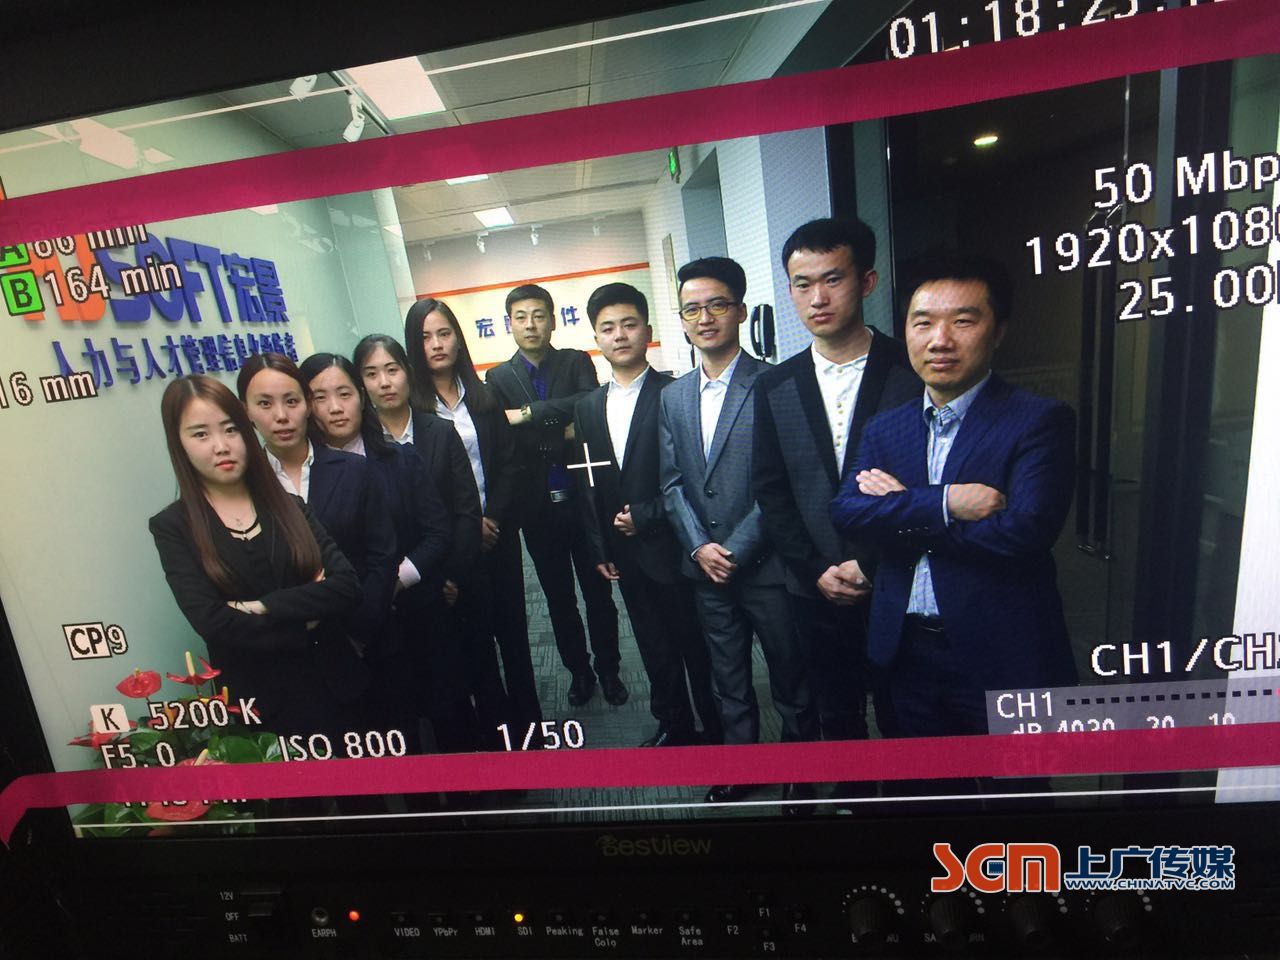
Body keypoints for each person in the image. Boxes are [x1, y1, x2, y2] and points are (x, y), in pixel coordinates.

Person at [830, 255, 1077, 738]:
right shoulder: (886, 428)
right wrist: (945, 503)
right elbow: (847, 511)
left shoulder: (1039, 420)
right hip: (905, 654)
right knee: (926, 780)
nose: (939, 340)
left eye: (963, 321)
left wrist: (901, 508)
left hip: (1003, 652)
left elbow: (1024, 532)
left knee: (1014, 782)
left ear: (998, 331)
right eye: (923, 323)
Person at [754, 219, 920, 751]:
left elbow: (933, 478)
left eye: (833, 279)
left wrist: (869, 563)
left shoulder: (913, 368)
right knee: (836, 712)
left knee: (904, 713)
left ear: (867, 282)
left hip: (899, 575)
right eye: (803, 284)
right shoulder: (774, 384)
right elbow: (771, 490)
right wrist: (814, 568)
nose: (818, 298)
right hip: (814, 582)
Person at [658, 256, 817, 809]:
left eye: (717, 305)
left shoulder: (774, 383)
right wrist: (699, 547)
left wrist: (736, 549)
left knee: (790, 675)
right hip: (705, 568)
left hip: (767, 566)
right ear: (681, 319)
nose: (704, 318)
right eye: (692, 309)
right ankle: (742, 766)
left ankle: (800, 770)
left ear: (741, 311)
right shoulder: (673, 395)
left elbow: (785, 484)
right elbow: (671, 482)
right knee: (727, 678)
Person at [149, 375, 362, 739]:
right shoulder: (173, 527)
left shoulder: (289, 506)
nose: (221, 446)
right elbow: (213, 622)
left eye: (231, 429)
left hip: (338, 690)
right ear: (178, 443)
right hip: (260, 709)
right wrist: (304, 622)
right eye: (200, 434)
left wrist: (261, 606)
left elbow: (346, 587)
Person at [575, 282, 723, 748]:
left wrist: (648, 515)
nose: (619, 335)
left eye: (629, 324)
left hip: (676, 546)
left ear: (648, 330)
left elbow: (694, 478)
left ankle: (715, 728)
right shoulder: (587, 406)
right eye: (607, 328)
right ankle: (673, 723)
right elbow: (589, 485)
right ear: (596, 339)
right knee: (652, 643)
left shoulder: (675, 393)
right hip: (624, 551)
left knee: (695, 643)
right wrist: (599, 547)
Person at [403, 298, 543, 741]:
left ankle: (532, 729)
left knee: (515, 637)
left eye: (444, 333)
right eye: (425, 337)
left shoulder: (484, 397)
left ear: (458, 340)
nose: (436, 344)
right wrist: (466, 528)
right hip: (452, 550)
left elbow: (509, 464)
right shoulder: (413, 409)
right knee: (474, 644)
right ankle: (495, 735)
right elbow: (420, 491)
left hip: (497, 535)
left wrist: (492, 517)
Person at [299, 352, 453, 753]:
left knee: (441, 716)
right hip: (348, 631)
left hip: (414, 610)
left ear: (361, 397)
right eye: (319, 397)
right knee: (375, 734)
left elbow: (438, 532)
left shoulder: (400, 458)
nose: (335, 408)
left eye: (344, 393)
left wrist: (395, 581)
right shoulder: (303, 476)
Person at [485, 283, 625, 708]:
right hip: (536, 508)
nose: (531, 324)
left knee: (599, 593)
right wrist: (562, 426)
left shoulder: (575, 361)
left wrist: (528, 415)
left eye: (539, 315)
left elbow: (588, 405)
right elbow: (505, 437)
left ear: (552, 320)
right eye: (521, 317)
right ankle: (579, 672)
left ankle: (610, 670)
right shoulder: (498, 377)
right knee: (558, 599)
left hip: (584, 502)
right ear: (509, 324)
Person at [354, 333, 483, 751]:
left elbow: (465, 511)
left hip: (444, 581)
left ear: (408, 372)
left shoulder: (439, 431)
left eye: (392, 370)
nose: (384, 382)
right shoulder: (357, 442)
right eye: (371, 374)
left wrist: (449, 576)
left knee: (457, 689)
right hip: (390, 596)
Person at [237, 353, 398, 682]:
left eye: (292, 401)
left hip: (365, 644)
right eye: (264, 404)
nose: (281, 416)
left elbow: (382, 557)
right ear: (245, 411)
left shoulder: (355, 470)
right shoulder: (242, 487)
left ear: (307, 404)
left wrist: (358, 634)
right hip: (288, 656)